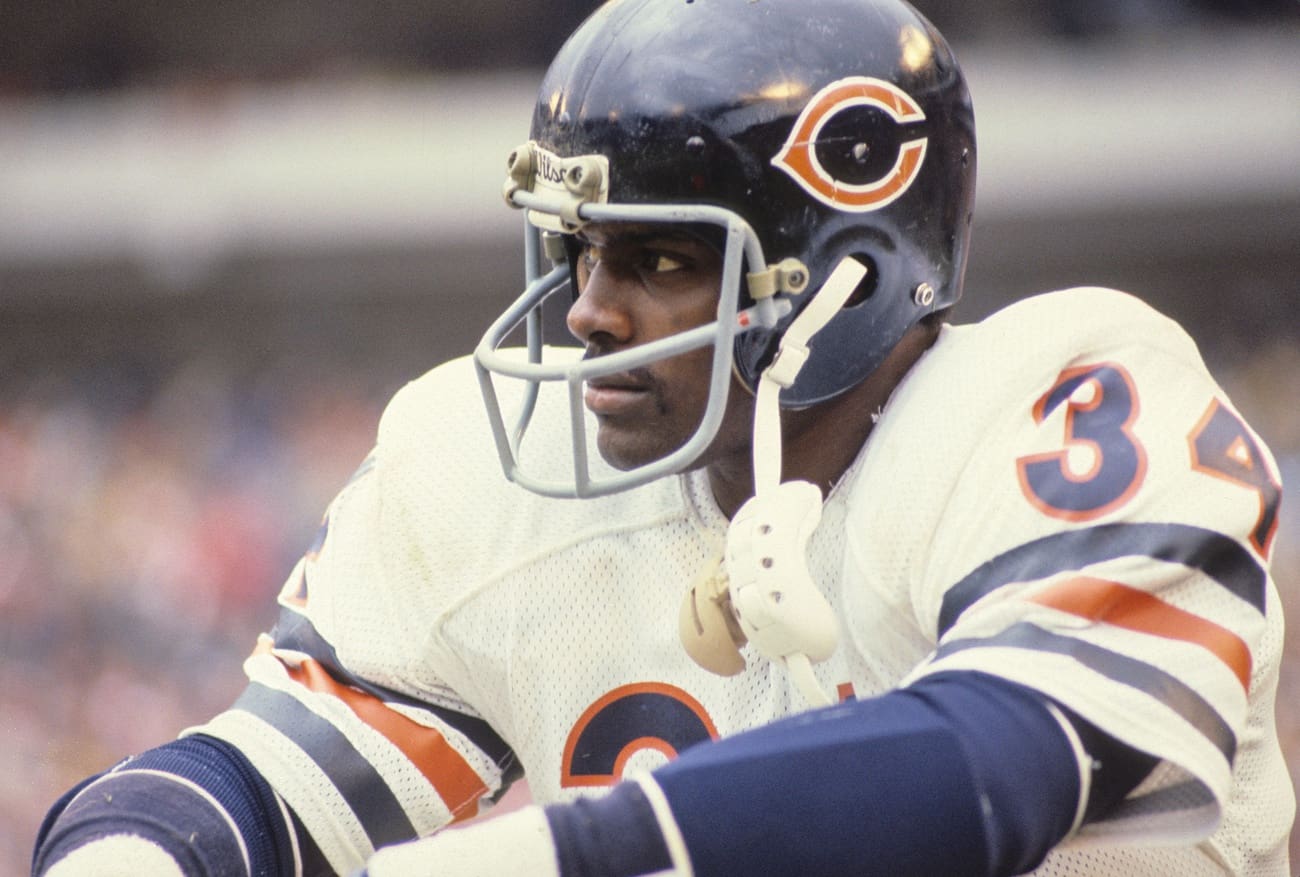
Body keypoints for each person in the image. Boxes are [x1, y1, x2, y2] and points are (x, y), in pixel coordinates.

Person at [32, 0, 1293, 874]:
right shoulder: (489, 480)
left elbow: (1003, 764)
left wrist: (561, 855)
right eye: (580, 250)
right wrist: (133, 849)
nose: (587, 311)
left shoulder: (1062, 402)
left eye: (664, 257)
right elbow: (275, 785)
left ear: (845, 271)